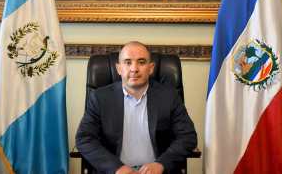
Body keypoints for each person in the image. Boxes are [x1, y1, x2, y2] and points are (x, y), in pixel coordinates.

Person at [76, 41, 197, 174]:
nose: (134, 69)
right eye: (128, 62)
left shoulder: (169, 96)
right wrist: (116, 168)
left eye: (141, 62)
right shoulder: (100, 98)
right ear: (119, 68)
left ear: (151, 68)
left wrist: (161, 164)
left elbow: (187, 137)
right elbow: (84, 138)